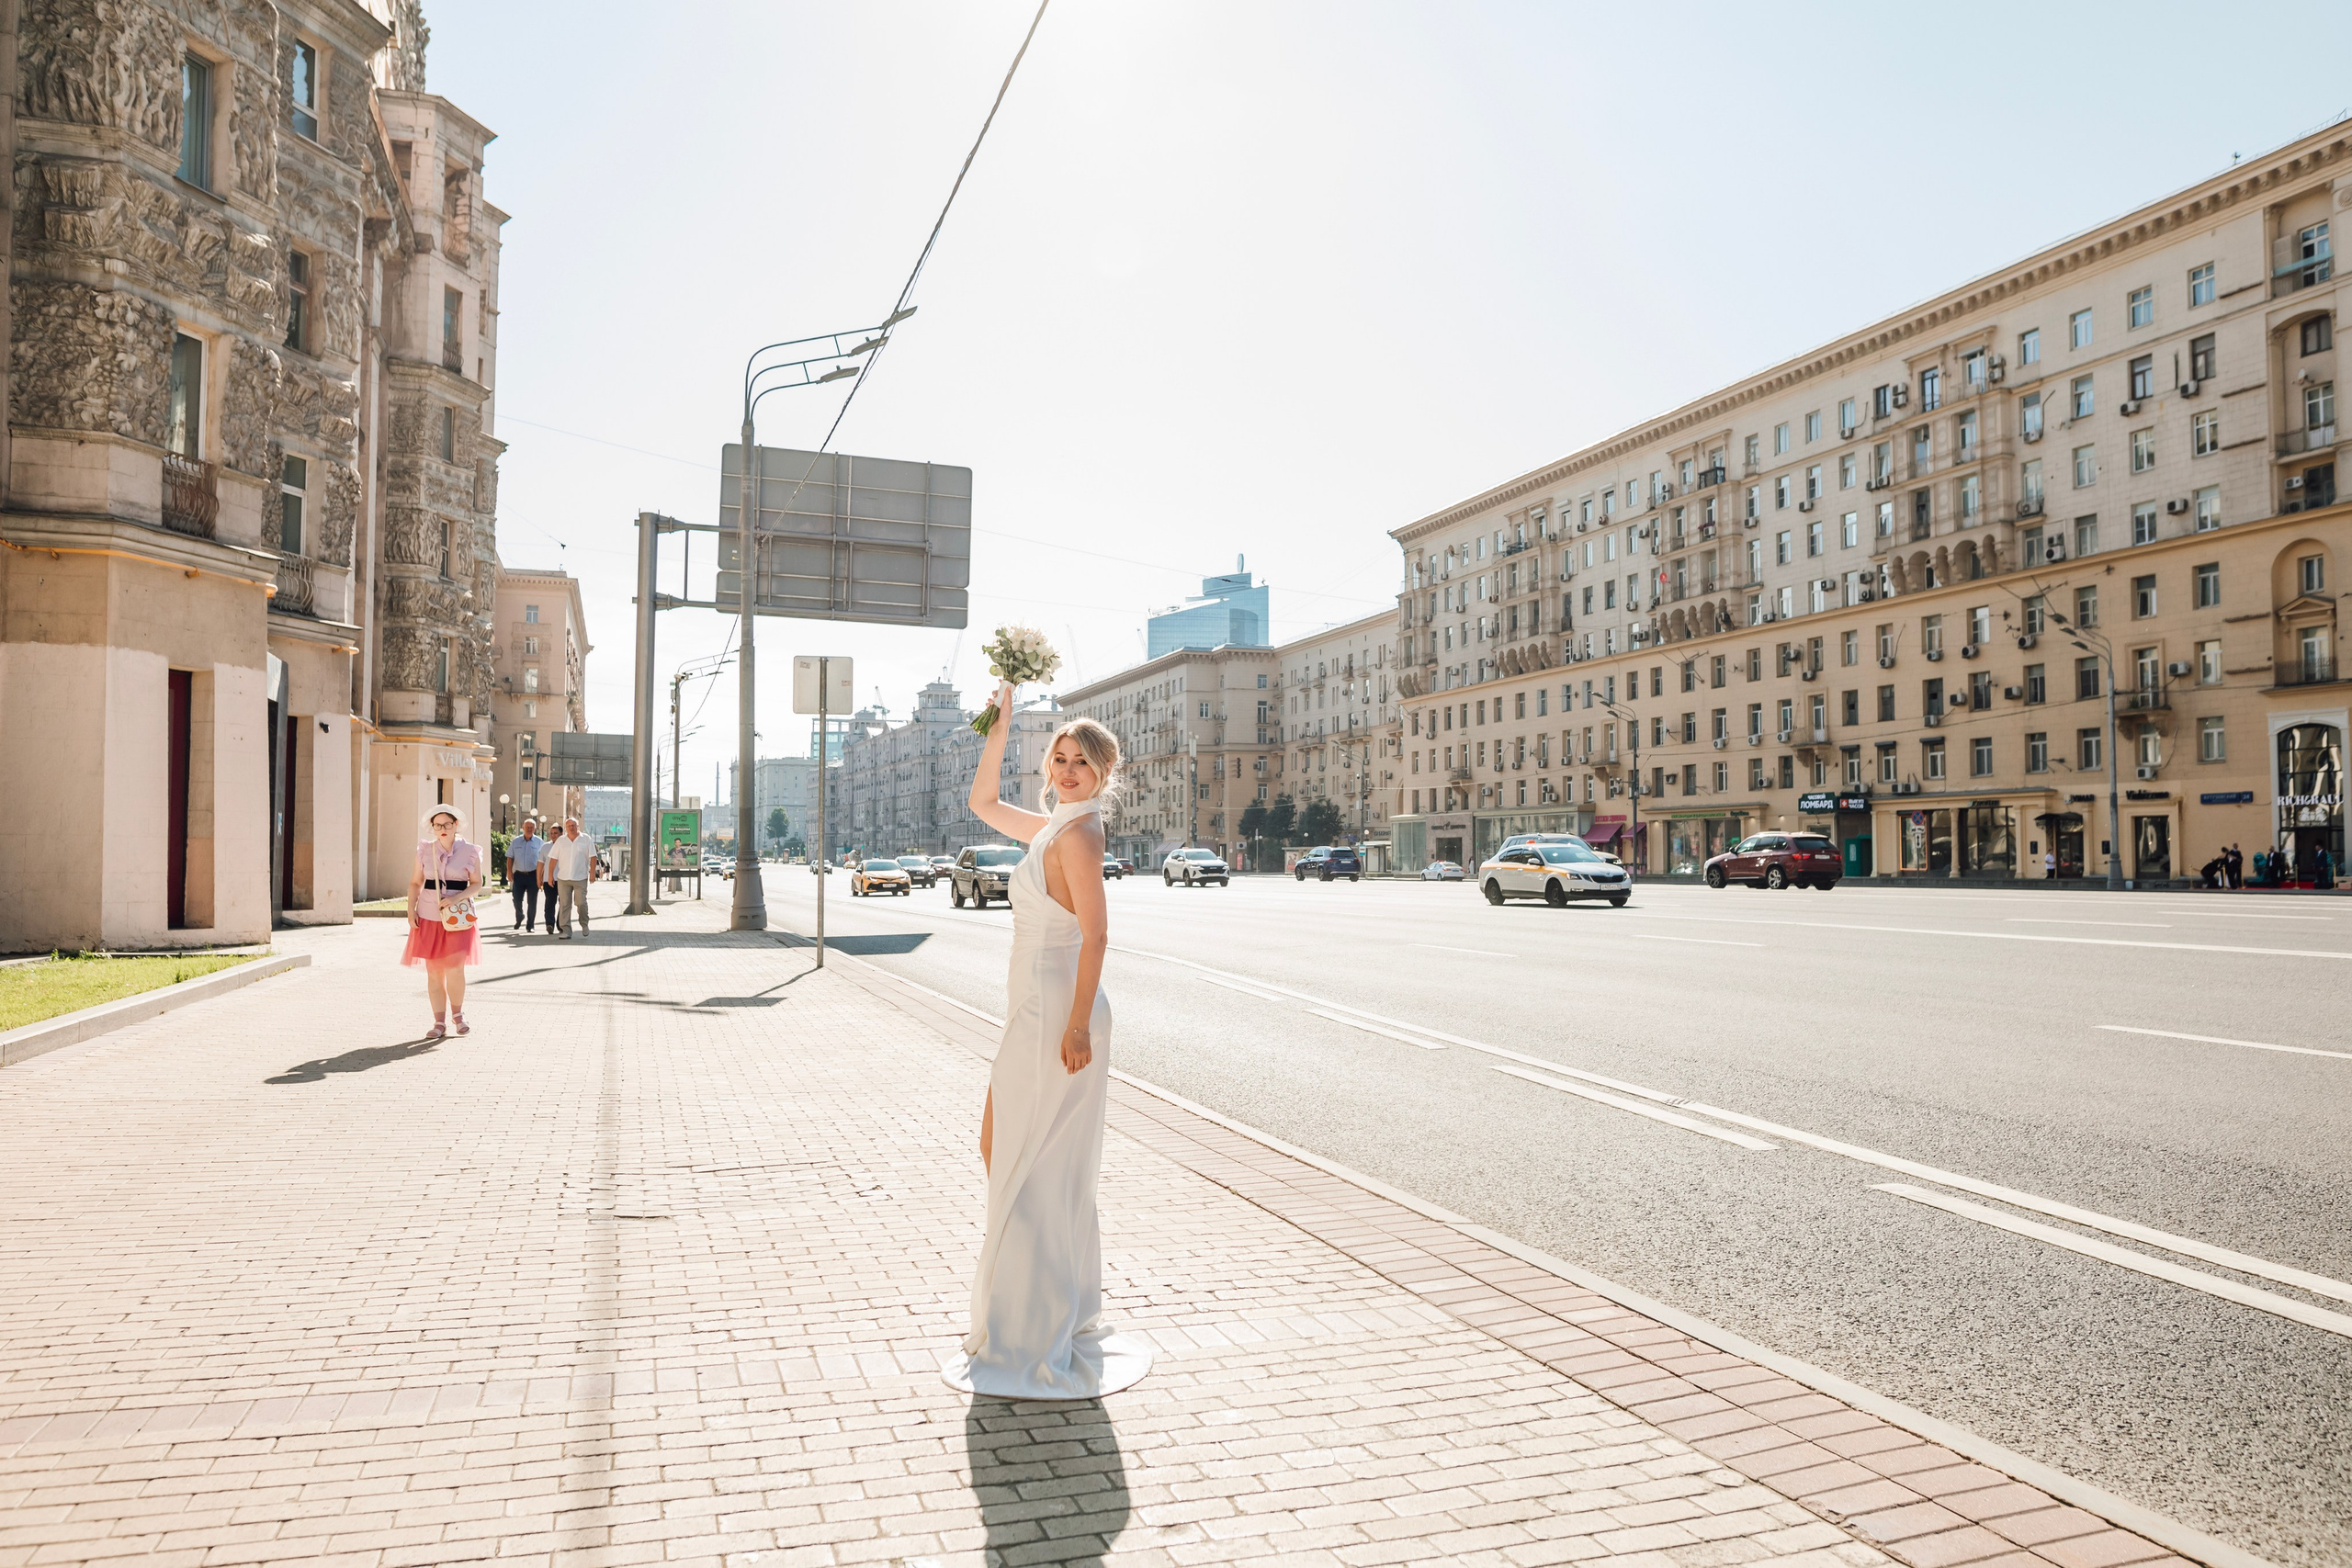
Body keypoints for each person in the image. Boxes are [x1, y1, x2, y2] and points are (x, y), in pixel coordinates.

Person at [941, 682, 1149, 1401]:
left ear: (1103, 775)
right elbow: (983, 805)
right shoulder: (1057, 827)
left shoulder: (1082, 833)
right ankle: (1039, 1299)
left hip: (1060, 1007)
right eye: (1059, 758)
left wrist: (1077, 1023)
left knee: (1029, 1157)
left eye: (1081, 764)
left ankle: (1032, 1321)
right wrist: (999, 726)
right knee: (1008, 1149)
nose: (1066, 771)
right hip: (1033, 1003)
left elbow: (1097, 933)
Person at [401, 807, 483, 1038]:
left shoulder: (469, 851)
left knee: (455, 968)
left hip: (458, 918)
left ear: (456, 824)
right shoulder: (424, 851)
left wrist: (456, 898)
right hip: (429, 916)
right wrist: (410, 910)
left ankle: (458, 1015)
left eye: (447, 824)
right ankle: (439, 1022)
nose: (443, 829)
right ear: (433, 828)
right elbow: (415, 883)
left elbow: (476, 883)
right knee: (435, 972)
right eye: (438, 825)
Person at [547, 816, 594, 938]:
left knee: (581, 902)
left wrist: (592, 873)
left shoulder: (586, 839)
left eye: (573, 825)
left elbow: (593, 857)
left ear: (578, 826)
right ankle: (566, 930)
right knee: (564, 904)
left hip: (580, 877)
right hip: (563, 878)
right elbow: (553, 859)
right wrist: (550, 875)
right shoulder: (561, 841)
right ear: (566, 828)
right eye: (569, 826)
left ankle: (584, 923)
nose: (571, 828)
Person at [507, 818, 547, 931]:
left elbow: (543, 861)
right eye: (527, 827)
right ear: (523, 828)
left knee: (532, 901)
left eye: (531, 827)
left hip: (533, 876)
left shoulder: (540, 842)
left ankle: (530, 925)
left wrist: (541, 877)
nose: (529, 829)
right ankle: (520, 916)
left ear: (535, 829)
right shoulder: (515, 841)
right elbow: (510, 857)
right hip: (518, 875)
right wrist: (509, 872)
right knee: (516, 899)